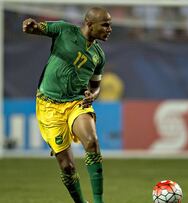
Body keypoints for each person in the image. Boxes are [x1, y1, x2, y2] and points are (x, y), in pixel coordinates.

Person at [22, 7, 112, 203]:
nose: (109, 28)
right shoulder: (64, 30)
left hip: (76, 102)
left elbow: (96, 87)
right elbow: (37, 28)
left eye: (109, 24)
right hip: (49, 106)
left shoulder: (99, 56)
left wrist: (92, 95)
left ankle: (99, 202)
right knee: (67, 166)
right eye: (105, 24)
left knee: (91, 142)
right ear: (89, 24)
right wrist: (31, 26)